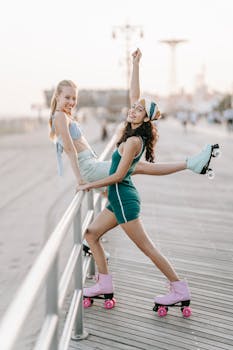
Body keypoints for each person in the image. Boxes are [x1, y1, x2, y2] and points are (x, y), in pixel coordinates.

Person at [76, 49, 197, 315]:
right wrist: (135, 63)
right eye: (133, 108)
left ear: (145, 118)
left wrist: (89, 185)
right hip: (119, 198)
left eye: (139, 110)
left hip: (122, 198)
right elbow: (134, 94)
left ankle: (179, 287)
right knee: (91, 234)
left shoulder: (132, 141)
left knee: (147, 247)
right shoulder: (133, 133)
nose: (132, 110)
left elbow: (118, 176)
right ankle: (104, 285)